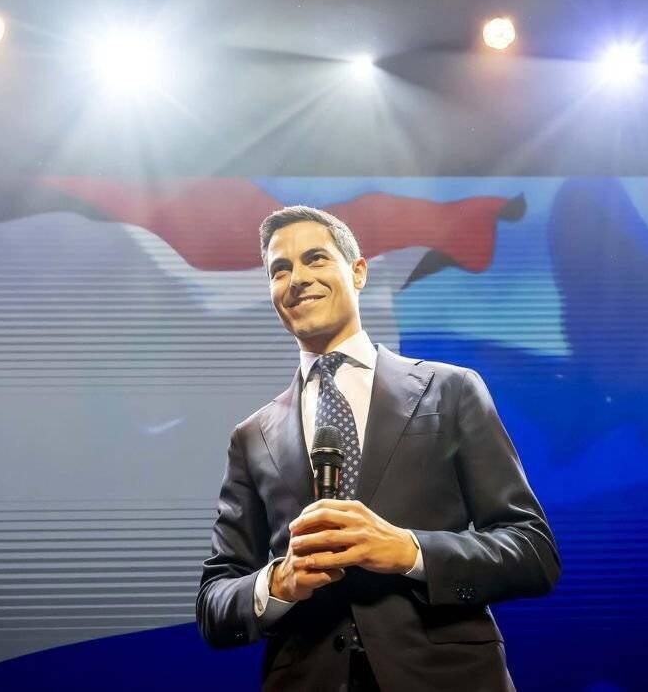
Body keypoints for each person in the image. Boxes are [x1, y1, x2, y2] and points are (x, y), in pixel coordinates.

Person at [196, 205, 560, 690]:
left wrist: (408, 550)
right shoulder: (252, 435)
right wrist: (279, 583)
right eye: (279, 270)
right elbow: (214, 602)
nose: (296, 279)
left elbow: (532, 551)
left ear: (359, 272)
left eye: (316, 259)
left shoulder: (450, 390)